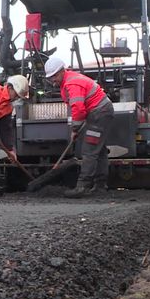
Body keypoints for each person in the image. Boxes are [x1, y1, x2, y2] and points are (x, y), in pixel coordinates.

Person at [44, 57, 114, 198]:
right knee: (98, 150)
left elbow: (78, 108)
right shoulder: (68, 81)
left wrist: (75, 129)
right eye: (50, 78)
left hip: (99, 113)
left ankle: (82, 186)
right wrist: (76, 128)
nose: (53, 81)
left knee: (89, 150)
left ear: (62, 71)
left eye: (55, 76)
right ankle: (100, 185)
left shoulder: (72, 83)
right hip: (99, 112)